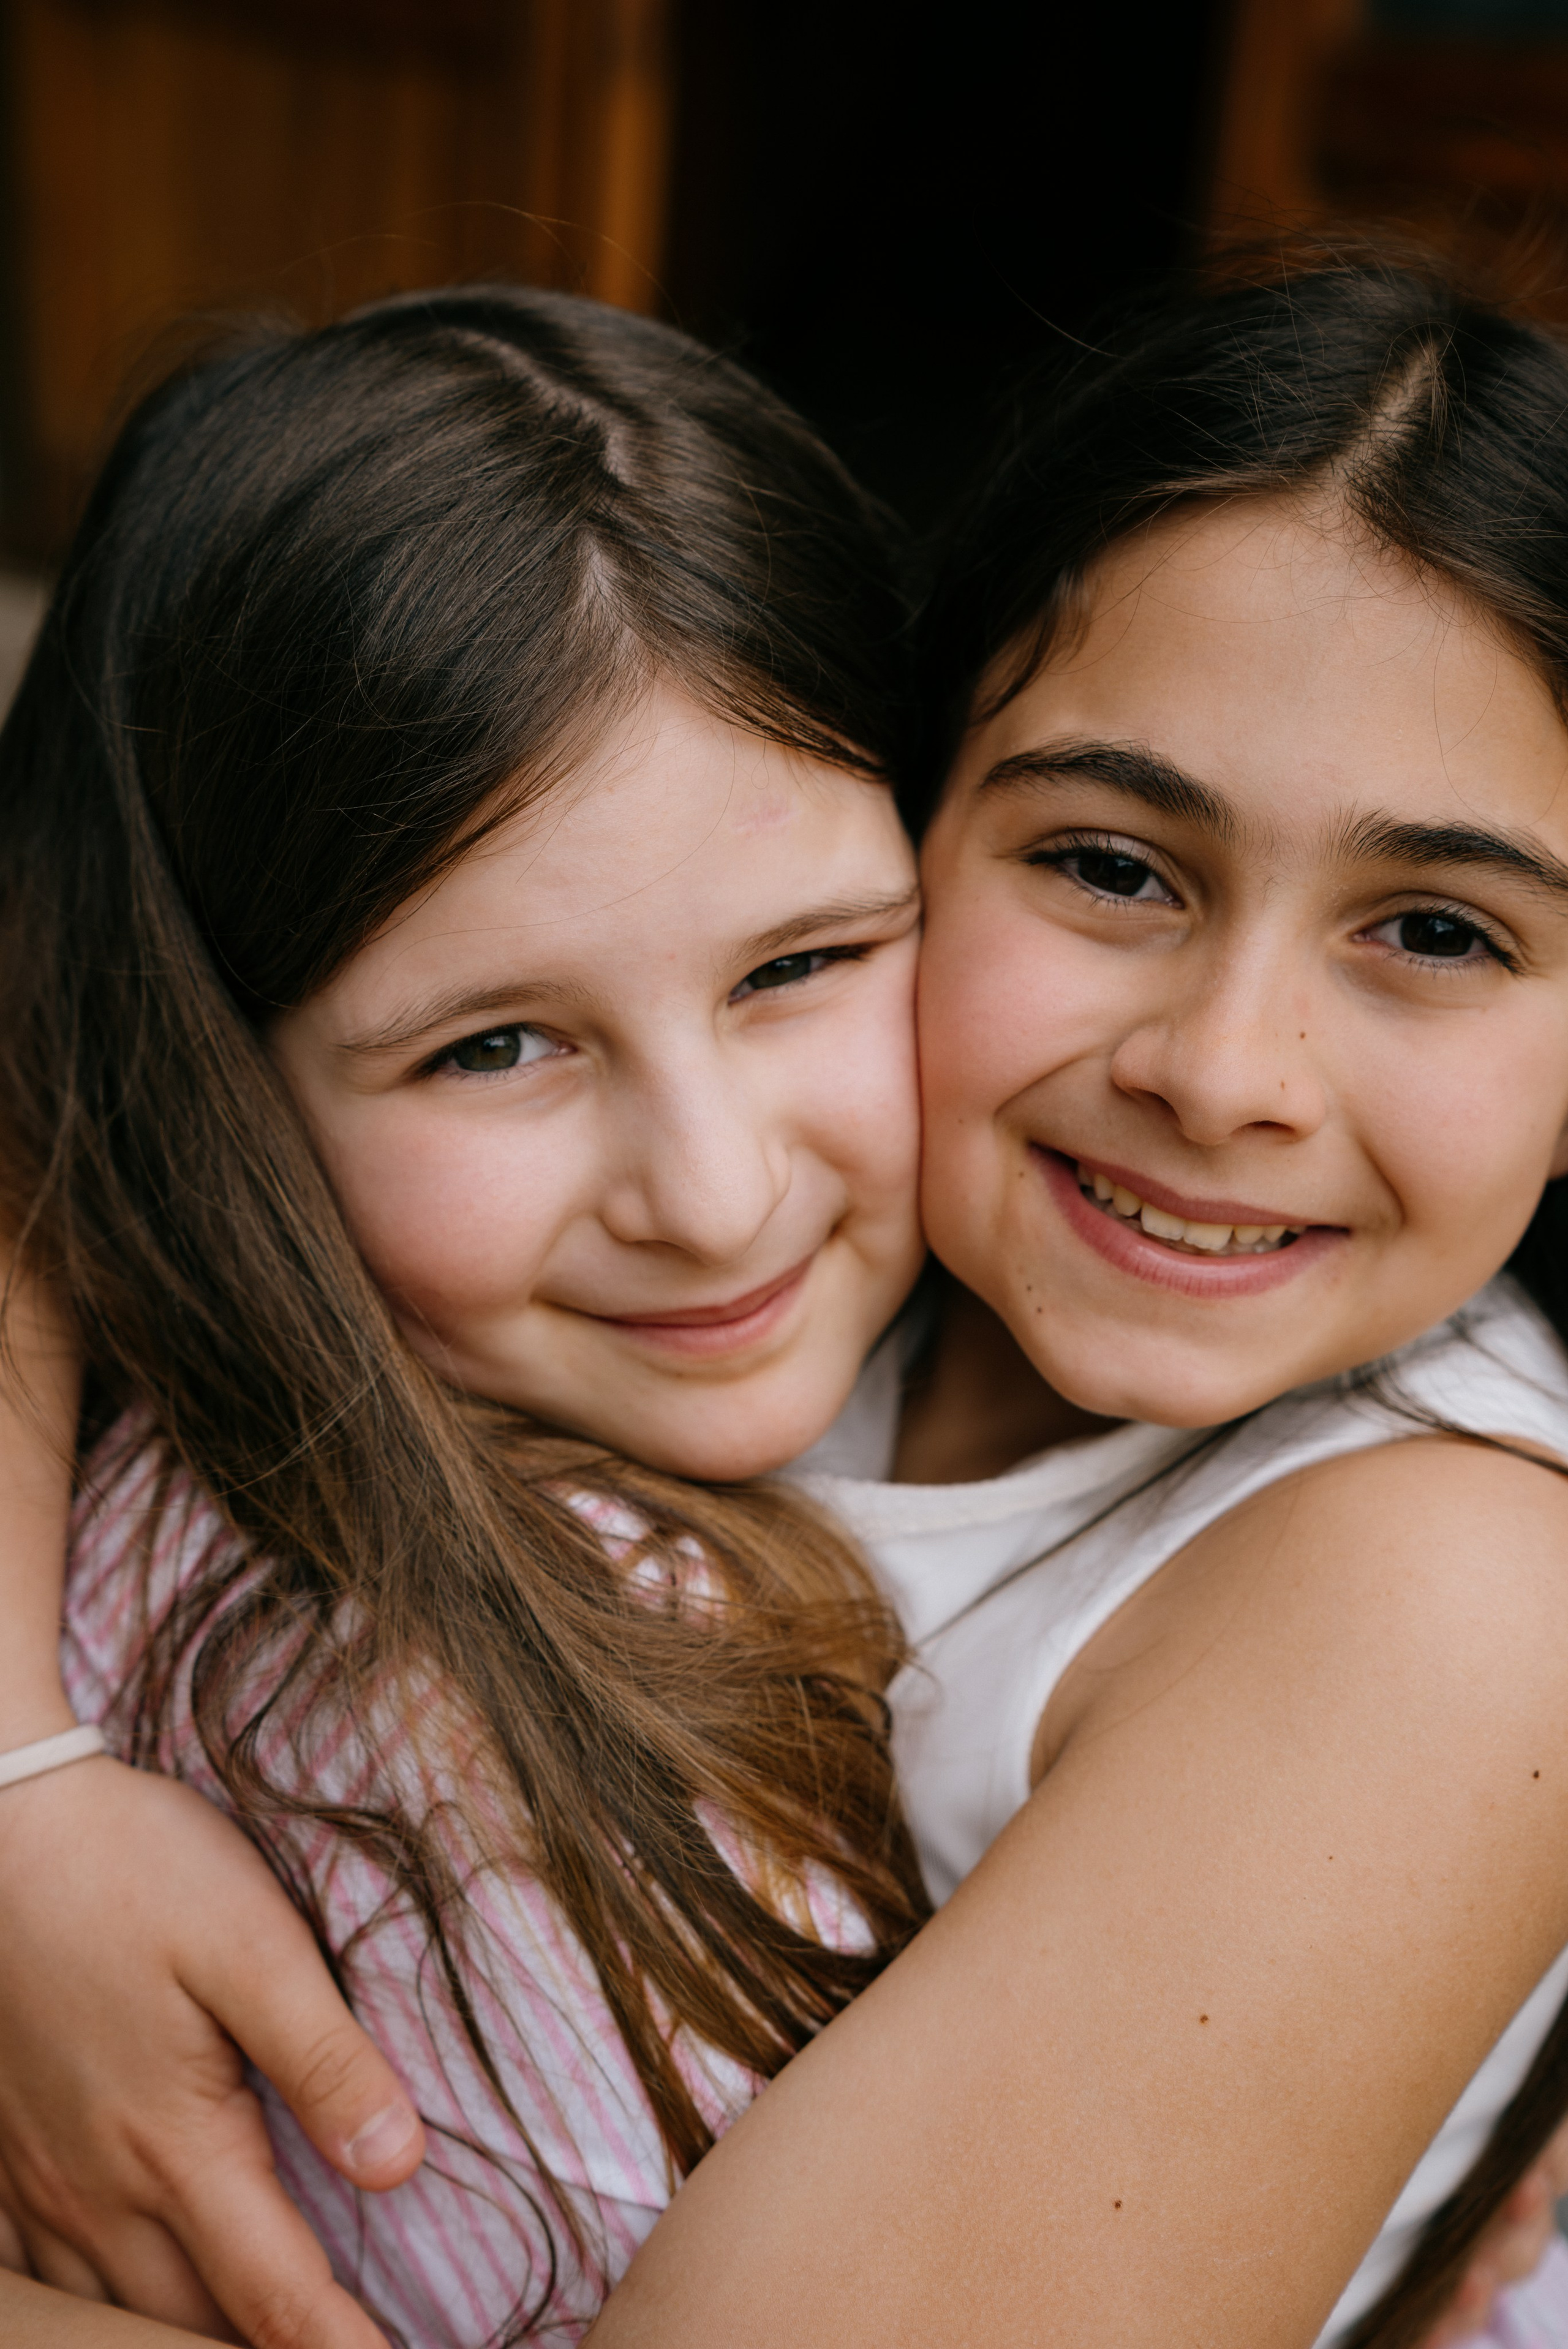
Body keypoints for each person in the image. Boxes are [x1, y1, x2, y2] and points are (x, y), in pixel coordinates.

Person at [0, 253, 1563, 2349]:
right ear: (917, 791)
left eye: (1443, 930)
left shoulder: (1451, 1607)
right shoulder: (849, 1251)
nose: (1225, 1071)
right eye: (1111, 864)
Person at [0, 282, 932, 2347]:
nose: (713, 1192)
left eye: (802, 965)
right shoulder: (488, 1723)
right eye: (497, 1045)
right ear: (208, 1071)